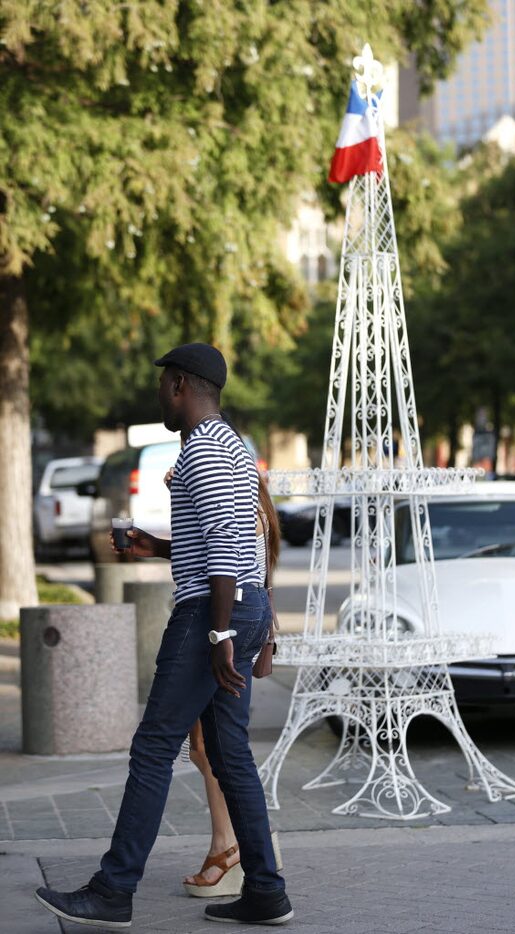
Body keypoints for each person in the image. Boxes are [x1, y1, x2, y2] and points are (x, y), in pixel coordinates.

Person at [35, 342, 293, 928]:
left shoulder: (204, 451)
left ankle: (113, 890)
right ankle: (267, 892)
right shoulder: (232, 446)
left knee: (154, 747)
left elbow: (227, 550)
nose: (159, 396)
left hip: (211, 613)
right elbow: (226, 542)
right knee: (230, 756)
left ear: (180, 385)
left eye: (162, 386)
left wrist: (222, 633)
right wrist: (156, 547)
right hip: (237, 607)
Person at [181, 470, 282, 898]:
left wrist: (221, 634)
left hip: (225, 628)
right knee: (209, 748)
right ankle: (230, 846)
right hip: (233, 626)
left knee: (218, 748)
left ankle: (231, 848)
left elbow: (225, 562)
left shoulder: (241, 501)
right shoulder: (254, 502)